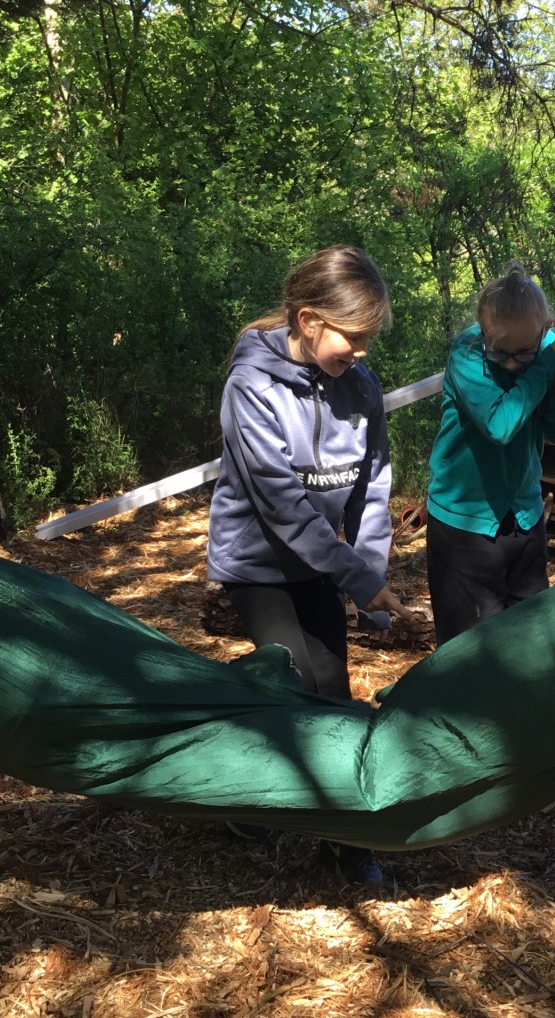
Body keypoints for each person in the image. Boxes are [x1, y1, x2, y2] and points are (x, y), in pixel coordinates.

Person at [207, 245, 413, 884]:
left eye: (370, 338)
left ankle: (344, 839)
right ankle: (248, 798)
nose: (363, 351)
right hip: (258, 565)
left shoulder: (361, 387)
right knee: (294, 683)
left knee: (333, 688)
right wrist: (358, 579)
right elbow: (283, 507)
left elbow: (372, 489)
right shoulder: (251, 387)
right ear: (308, 320)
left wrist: (369, 575)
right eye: (354, 336)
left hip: (321, 565)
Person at [425, 264, 555, 644]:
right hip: (465, 524)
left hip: (524, 517)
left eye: (523, 352)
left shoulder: (548, 350)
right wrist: (545, 366)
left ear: (544, 328)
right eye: (499, 351)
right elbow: (499, 425)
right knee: (469, 650)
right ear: (482, 329)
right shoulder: (468, 353)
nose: (510, 363)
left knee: (528, 642)